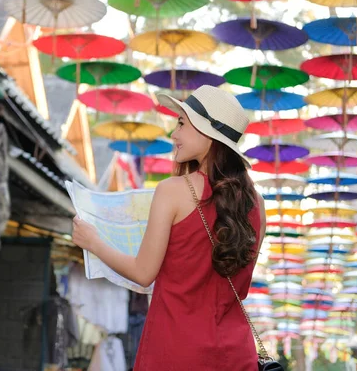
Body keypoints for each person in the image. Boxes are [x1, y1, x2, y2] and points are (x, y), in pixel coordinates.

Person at [71, 85, 266, 370]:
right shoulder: (257, 204)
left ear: (207, 133)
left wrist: (94, 242)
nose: (174, 134)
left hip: (175, 350)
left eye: (182, 124)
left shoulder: (173, 191)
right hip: (237, 355)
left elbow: (143, 273)